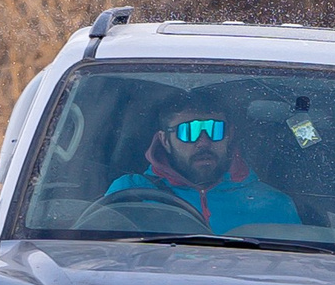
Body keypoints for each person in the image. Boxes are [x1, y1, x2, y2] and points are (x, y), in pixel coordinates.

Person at [101, 96, 299, 234]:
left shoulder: (275, 205)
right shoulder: (130, 193)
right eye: (189, 131)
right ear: (164, 140)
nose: (203, 142)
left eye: (215, 129)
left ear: (229, 134)